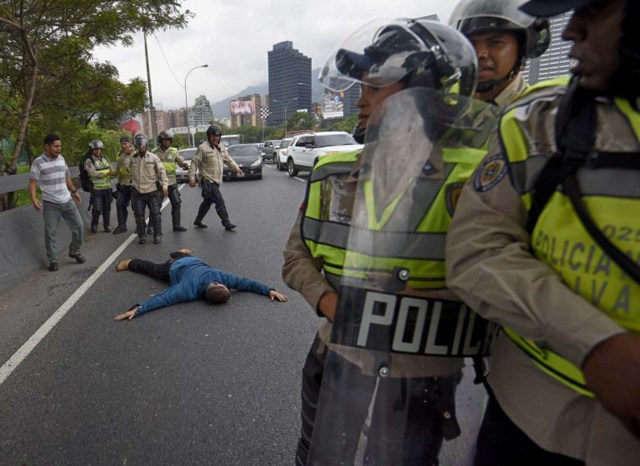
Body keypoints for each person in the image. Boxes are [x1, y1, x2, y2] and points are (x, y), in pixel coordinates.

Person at [284, 19, 498, 465]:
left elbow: (506, 277)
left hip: (420, 375)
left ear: (424, 91)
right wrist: (328, 302)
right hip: (336, 354)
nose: (359, 99)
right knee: (316, 454)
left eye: (375, 86)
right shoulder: (331, 173)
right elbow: (295, 254)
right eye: (360, 85)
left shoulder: (479, 178)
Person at [446, 0, 640, 465]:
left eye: (497, 41)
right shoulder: (531, 124)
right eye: (474, 44)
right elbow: (476, 249)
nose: (572, 29)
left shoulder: (539, 110)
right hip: (519, 394)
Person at [114, 248, 288, 320]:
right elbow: (163, 298)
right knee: (153, 268)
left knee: (157, 268)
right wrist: (268, 290)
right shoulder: (192, 290)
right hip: (180, 264)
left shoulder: (191, 288)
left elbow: (162, 299)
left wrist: (138, 309)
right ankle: (131, 262)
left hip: (182, 266)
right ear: (222, 285)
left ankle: (132, 262)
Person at [449, 0, 551, 106]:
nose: (480, 54)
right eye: (470, 44)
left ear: (523, 48)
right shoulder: (445, 101)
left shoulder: (536, 113)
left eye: (495, 42)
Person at [28, 133, 85, 272]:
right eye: (55, 146)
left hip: (67, 200)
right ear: (47, 147)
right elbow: (32, 182)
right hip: (51, 203)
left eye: (60, 146)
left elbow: (66, 177)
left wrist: (74, 191)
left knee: (79, 226)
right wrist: (34, 198)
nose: (58, 149)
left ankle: (74, 251)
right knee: (50, 233)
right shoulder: (38, 162)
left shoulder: (61, 159)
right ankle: (53, 260)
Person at [189, 124, 243, 231]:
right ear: (208, 136)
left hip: (217, 180)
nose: (215, 138)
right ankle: (226, 222)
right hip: (207, 181)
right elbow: (194, 163)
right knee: (219, 200)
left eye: (217, 136)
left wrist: (236, 168)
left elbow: (228, 159)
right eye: (213, 135)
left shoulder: (221, 147)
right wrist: (191, 178)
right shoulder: (202, 148)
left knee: (207, 202)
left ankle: (198, 220)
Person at [130, 133, 168, 245]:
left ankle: (157, 234)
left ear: (146, 145)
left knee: (155, 214)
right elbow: (122, 167)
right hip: (137, 192)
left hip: (152, 191)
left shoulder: (153, 157)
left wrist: (165, 186)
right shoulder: (132, 158)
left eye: (142, 144)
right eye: (138, 145)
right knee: (139, 216)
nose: (140, 147)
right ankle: (142, 236)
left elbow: (162, 172)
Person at [152, 130, 189, 232]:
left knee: (176, 203)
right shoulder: (154, 152)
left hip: (172, 182)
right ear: (161, 140)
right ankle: (151, 226)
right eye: (164, 140)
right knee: (156, 205)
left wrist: (185, 165)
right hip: (159, 183)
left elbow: (181, 162)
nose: (166, 142)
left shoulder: (174, 151)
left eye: (168, 140)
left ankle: (176, 225)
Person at [84, 139, 116, 233]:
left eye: (99, 149)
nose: (98, 151)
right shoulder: (89, 161)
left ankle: (107, 225)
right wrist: (107, 174)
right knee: (97, 208)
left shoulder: (105, 159)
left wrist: (114, 173)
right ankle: (94, 224)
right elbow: (93, 173)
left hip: (107, 188)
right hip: (96, 189)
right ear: (92, 150)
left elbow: (112, 170)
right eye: (96, 149)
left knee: (107, 208)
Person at [113, 135, 135, 234]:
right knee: (120, 204)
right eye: (122, 144)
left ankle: (141, 226)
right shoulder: (119, 154)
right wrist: (119, 182)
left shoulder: (135, 153)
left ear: (129, 143)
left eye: (125, 143)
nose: (123, 145)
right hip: (124, 184)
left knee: (137, 206)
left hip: (134, 184)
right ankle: (122, 226)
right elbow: (119, 169)